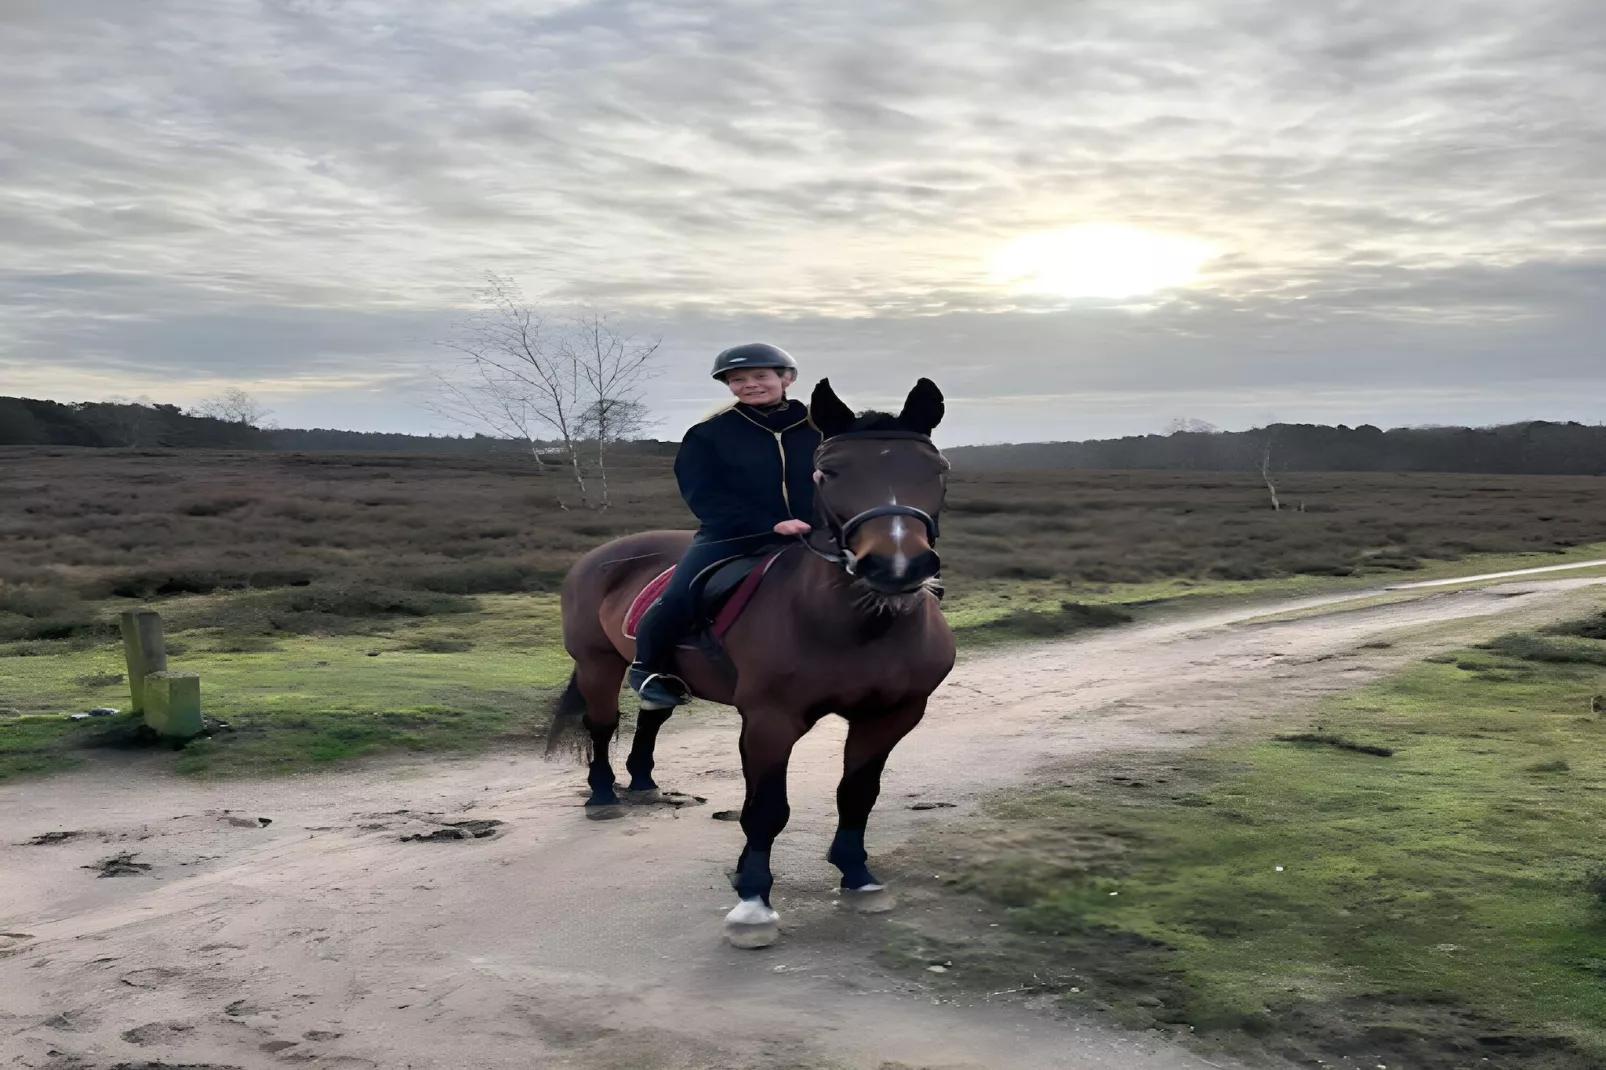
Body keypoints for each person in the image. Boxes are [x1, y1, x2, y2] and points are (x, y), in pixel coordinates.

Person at [628, 343, 822, 707]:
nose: (750, 385)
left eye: (760, 376)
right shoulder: (708, 434)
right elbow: (703, 495)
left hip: (818, 532)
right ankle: (647, 669)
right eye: (738, 380)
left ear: (787, 378)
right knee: (678, 595)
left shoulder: (821, 428)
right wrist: (772, 524)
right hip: (734, 535)